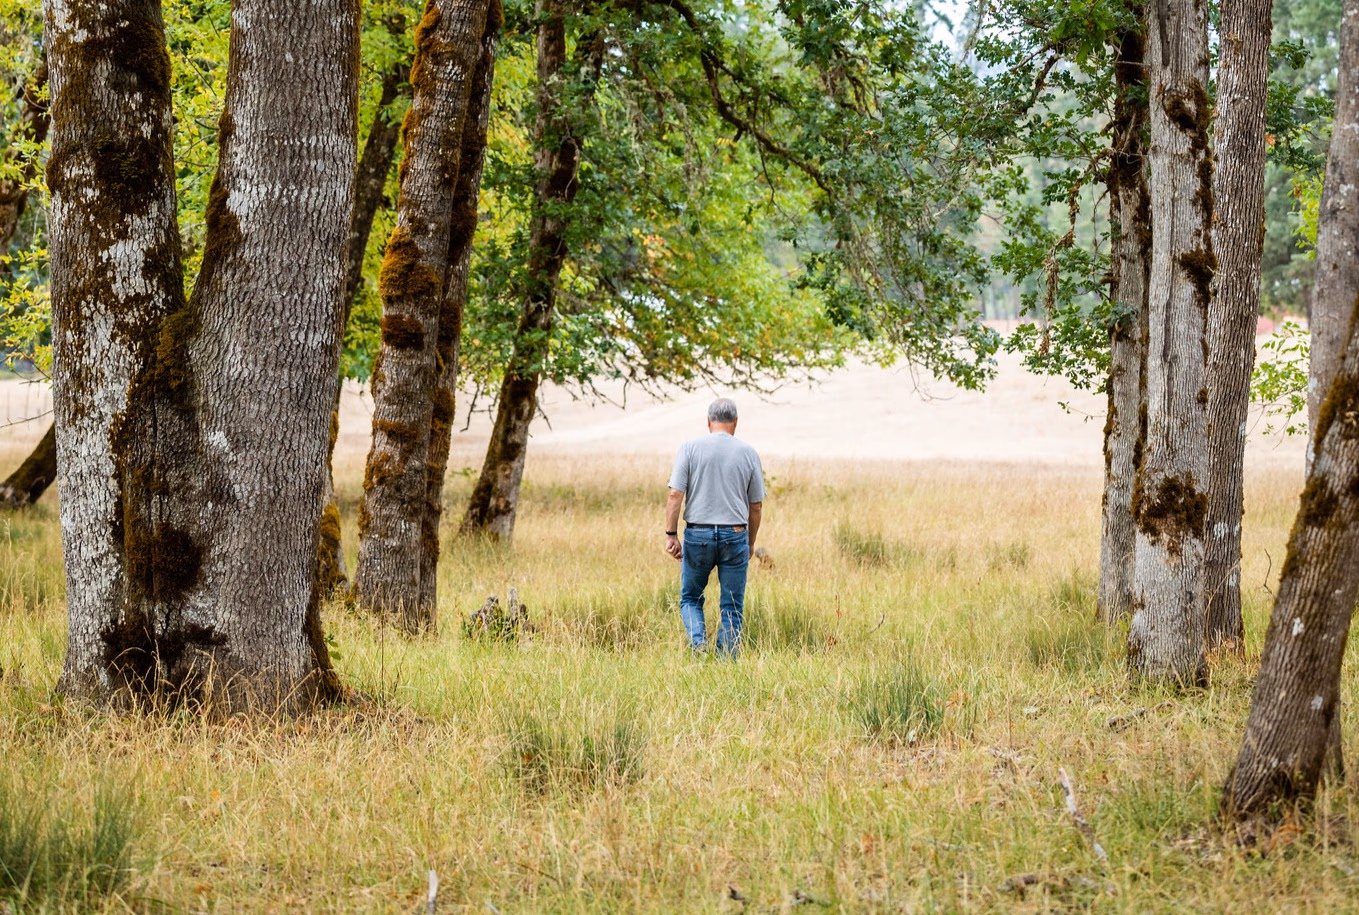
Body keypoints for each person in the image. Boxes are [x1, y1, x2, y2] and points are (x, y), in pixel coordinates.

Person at [664, 398, 765, 655]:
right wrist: (750, 542)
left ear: (708, 422)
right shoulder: (748, 453)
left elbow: (675, 494)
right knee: (731, 605)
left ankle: (699, 646)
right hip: (735, 533)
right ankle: (725, 660)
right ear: (736, 423)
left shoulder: (689, 448)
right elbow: (756, 506)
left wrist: (671, 534)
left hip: (698, 533)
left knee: (690, 598)